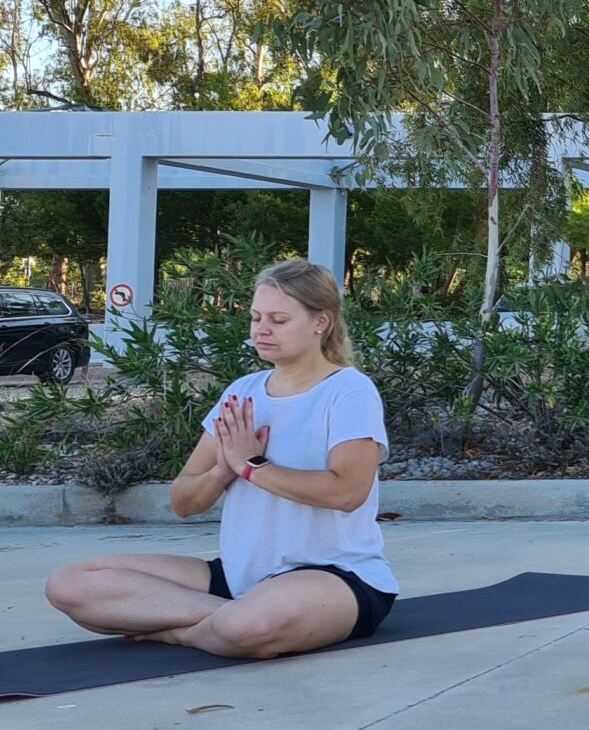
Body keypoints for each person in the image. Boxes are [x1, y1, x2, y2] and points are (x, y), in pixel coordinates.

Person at [44, 260, 396, 656]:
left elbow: (346, 492)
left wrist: (253, 466)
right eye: (256, 317)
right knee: (70, 584)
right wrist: (223, 470)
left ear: (321, 323)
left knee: (250, 626)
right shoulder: (243, 391)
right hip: (240, 576)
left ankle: (183, 629)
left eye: (278, 319)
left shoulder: (348, 390)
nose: (261, 329)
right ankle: (224, 621)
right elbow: (183, 501)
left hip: (333, 577)